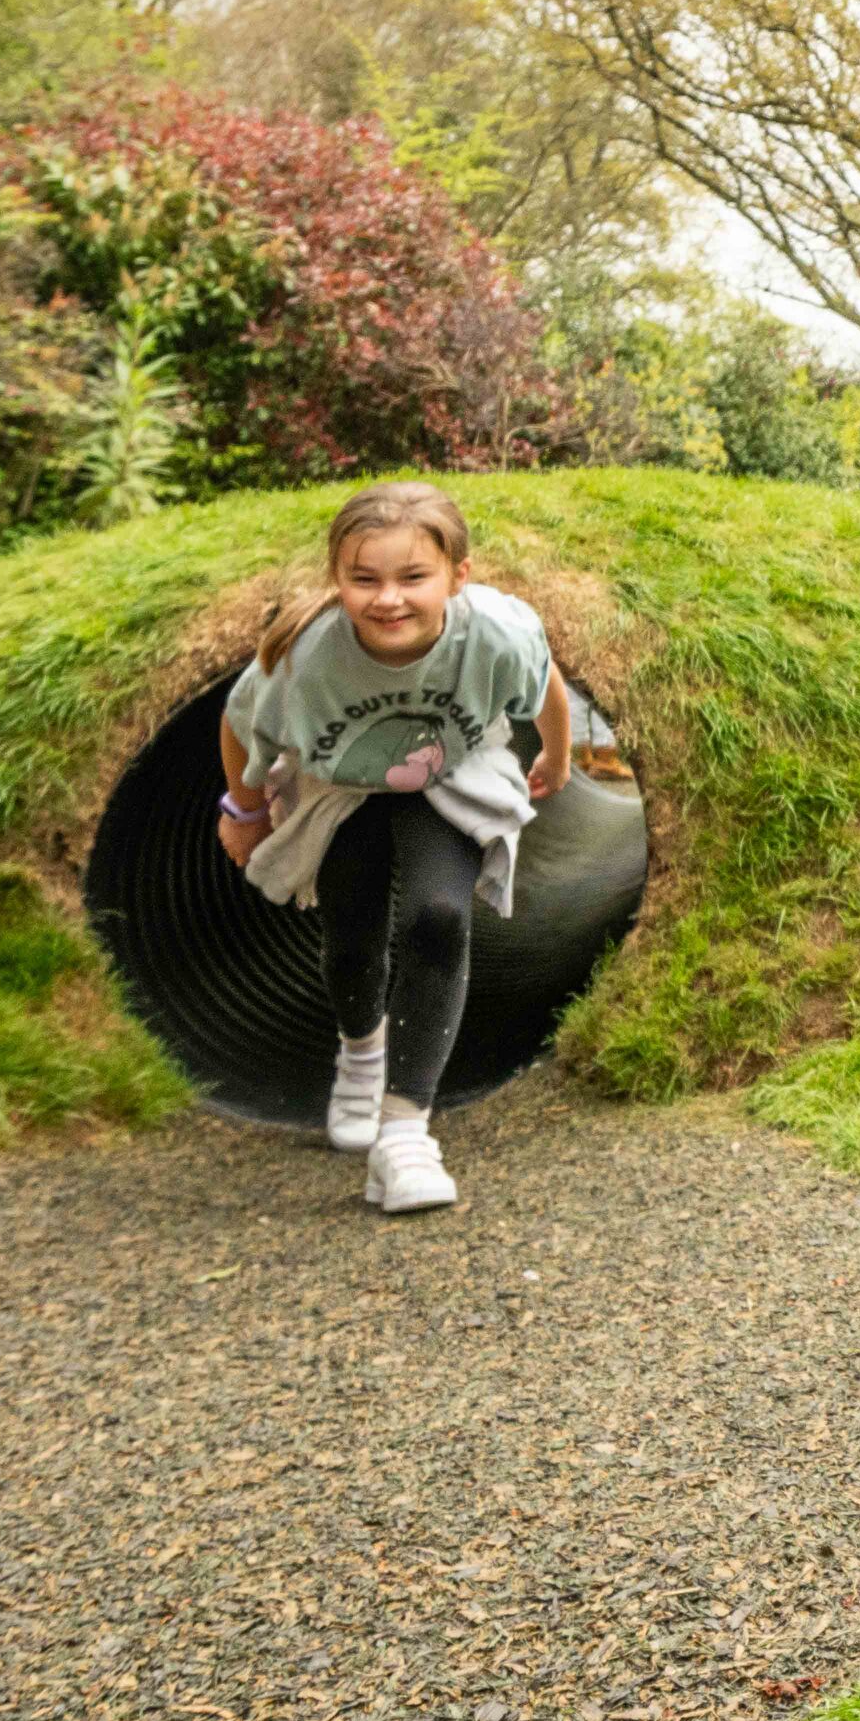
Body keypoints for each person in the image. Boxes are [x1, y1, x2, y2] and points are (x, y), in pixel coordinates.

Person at [213, 482, 571, 1214]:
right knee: (353, 936)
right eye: (364, 578)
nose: (388, 600)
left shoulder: (496, 632)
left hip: (455, 774)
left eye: (414, 578)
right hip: (342, 788)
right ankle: (361, 1051)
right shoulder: (304, 656)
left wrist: (557, 759)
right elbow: (240, 724)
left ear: (457, 577)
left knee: (438, 917)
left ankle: (406, 1133)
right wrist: (244, 808)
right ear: (336, 578)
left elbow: (543, 686)